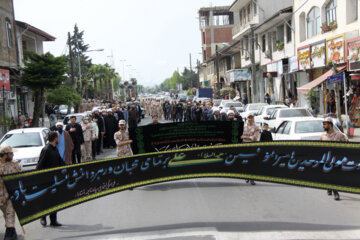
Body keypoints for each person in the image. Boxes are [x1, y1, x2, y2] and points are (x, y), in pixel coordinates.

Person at [37, 132, 64, 227]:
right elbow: (40, 166)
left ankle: (53, 220)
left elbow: (60, 162)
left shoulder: (55, 149)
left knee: (54, 200)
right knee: (45, 200)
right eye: (57, 138)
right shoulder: (46, 150)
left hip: (55, 179)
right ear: (55, 139)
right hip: (46, 180)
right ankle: (43, 217)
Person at [320, 117, 348, 201]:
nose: (323, 126)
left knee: (335, 175)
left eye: (325, 124)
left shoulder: (339, 135)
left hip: (336, 160)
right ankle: (330, 187)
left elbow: (347, 145)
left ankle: (335, 192)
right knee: (329, 174)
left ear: (330, 125)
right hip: (327, 160)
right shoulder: (322, 136)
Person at [0, 146, 21, 239]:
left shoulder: (14, 164)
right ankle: (13, 232)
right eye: (11, 153)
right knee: (6, 214)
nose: (13, 155)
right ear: (5, 155)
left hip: (11, 194)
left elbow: (20, 176)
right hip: (1, 195)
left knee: (10, 213)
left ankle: (9, 234)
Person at [241, 114, 260, 185]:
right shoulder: (243, 126)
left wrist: (246, 137)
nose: (250, 119)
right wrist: (247, 137)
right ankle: (246, 176)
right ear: (246, 118)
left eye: (251, 117)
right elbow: (240, 136)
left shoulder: (256, 127)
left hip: (252, 146)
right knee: (245, 161)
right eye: (249, 117)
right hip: (244, 146)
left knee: (252, 162)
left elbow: (255, 137)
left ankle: (252, 178)